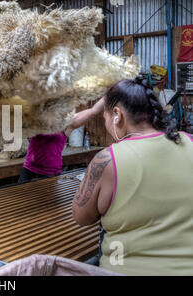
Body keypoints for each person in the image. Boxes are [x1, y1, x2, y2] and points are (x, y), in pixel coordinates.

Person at [72, 75, 193, 275]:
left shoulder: (107, 160)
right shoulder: (190, 141)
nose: (106, 125)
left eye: (105, 118)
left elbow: (81, 217)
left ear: (117, 114)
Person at [18, 98, 105, 183]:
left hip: (51, 173)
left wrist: (111, 92)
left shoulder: (67, 123)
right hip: (29, 170)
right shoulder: (36, 120)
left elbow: (94, 111)